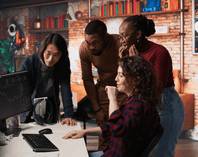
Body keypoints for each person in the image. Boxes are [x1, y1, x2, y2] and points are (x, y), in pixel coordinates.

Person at [63, 55, 163, 157]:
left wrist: (112, 98)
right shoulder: (135, 101)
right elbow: (111, 126)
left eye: (120, 75)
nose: (116, 79)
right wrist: (84, 132)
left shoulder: (139, 105)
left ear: (134, 79)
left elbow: (117, 129)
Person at [118, 15, 185, 157]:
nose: (121, 40)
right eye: (120, 36)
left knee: (162, 152)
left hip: (165, 105)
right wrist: (125, 61)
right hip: (143, 104)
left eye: (124, 35)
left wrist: (138, 61)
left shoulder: (159, 52)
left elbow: (156, 88)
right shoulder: (130, 52)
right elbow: (130, 84)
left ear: (138, 34)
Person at [79, 19, 128, 150]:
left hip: (124, 89)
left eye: (95, 43)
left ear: (105, 37)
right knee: (105, 134)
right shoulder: (85, 49)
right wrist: (97, 109)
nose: (91, 47)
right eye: (88, 42)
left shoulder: (120, 44)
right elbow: (87, 79)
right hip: (104, 89)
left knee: (124, 131)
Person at [18, 32, 77, 126]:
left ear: (61, 55)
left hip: (50, 109)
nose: (50, 59)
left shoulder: (63, 63)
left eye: (56, 55)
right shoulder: (29, 63)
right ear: (43, 50)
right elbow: (20, 91)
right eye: (48, 53)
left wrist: (68, 115)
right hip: (29, 111)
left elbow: (66, 88)